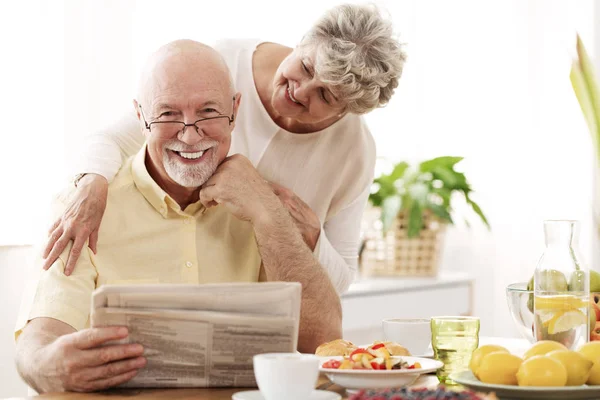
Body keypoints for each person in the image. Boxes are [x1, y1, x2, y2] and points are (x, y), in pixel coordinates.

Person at [15, 40, 342, 393]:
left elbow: (324, 343)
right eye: (168, 113)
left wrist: (268, 216)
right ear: (140, 117)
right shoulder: (85, 207)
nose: (189, 134)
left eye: (208, 112)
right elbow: (39, 342)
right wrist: (48, 366)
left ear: (235, 109)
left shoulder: (260, 205)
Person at [41, 3, 407, 293]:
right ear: (302, 42)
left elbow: (340, 282)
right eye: (306, 66)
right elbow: (116, 137)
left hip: (267, 318)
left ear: (349, 111)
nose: (300, 90)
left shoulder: (354, 151)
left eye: (325, 95)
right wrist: (91, 184)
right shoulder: (223, 65)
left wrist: (309, 234)